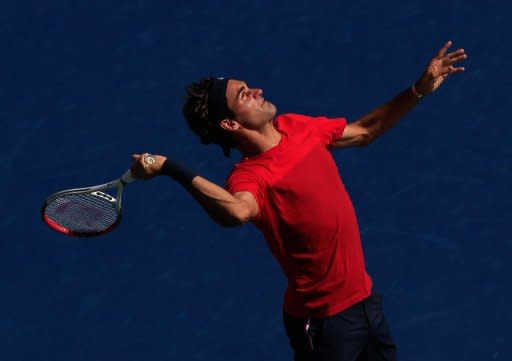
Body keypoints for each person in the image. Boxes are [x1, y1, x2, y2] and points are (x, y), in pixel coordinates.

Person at [129, 41, 467, 361]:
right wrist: (169, 167)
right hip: (323, 323)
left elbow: (365, 131)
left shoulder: (296, 126)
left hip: (364, 299)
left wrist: (419, 89)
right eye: (244, 94)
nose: (257, 90)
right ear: (231, 123)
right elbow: (236, 211)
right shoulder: (250, 177)